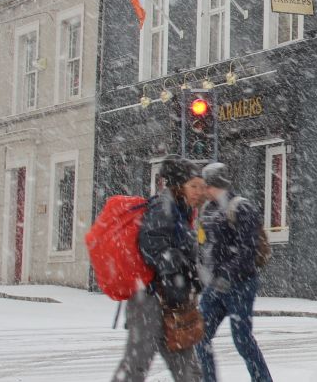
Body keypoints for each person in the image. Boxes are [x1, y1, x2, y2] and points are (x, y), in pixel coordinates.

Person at [114, 155, 207, 382]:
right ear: (178, 186)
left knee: (187, 368)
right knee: (137, 364)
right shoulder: (163, 208)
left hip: (172, 302)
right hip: (151, 301)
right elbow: (152, 246)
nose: (199, 192)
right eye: (193, 186)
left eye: (201, 187)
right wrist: (186, 268)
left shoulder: (181, 211)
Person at [196, 162, 273, 382]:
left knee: (242, 340)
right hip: (214, 287)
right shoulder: (207, 209)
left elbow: (247, 250)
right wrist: (202, 272)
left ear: (215, 184)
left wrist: (227, 274)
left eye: (206, 185)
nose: (203, 190)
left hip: (240, 285)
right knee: (199, 337)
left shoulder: (240, 207)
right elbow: (204, 245)